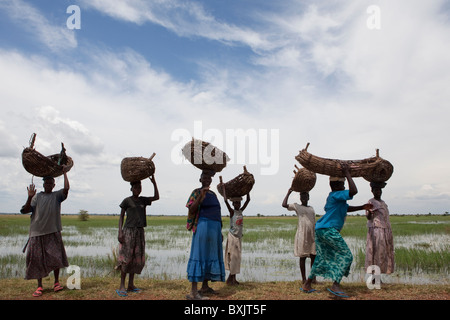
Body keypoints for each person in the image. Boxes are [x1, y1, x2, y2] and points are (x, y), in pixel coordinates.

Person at [302, 164, 372, 298]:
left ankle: (307, 284)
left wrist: (362, 206)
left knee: (321, 258)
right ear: (336, 186)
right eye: (343, 184)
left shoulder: (333, 197)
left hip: (321, 230)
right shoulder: (336, 195)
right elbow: (354, 191)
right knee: (346, 255)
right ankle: (335, 285)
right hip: (328, 230)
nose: (345, 186)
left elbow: (346, 208)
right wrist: (347, 173)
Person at [20, 166, 70, 297]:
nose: (48, 185)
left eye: (51, 183)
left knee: (56, 258)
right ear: (43, 184)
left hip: (53, 231)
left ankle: (56, 282)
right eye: (46, 183)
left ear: (54, 185)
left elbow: (66, 189)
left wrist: (65, 174)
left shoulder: (57, 196)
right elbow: (25, 210)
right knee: (37, 260)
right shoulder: (37, 197)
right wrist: (29, 197)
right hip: (37, 233)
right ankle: (39, 286)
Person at [116, 175, 159, 297]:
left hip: (140, 232)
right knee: (126, 258)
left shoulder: (143, 200)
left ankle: (131, 284)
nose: (138, 189)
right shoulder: (127, 201)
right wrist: (120, 232)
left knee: (135, 258)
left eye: (139, 187)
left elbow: (157, 197)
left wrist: (154, 182)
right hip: (128, 231)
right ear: (131, 188)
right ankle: (122, 285)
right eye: (135, 187)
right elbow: (121, 217)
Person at [185, 170, 225, 300]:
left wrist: (220, 231)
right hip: (202, 225)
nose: (207, 179)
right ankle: (193, 292)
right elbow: (191, 209)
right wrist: (200, 197)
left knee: (209, 255)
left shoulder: (213, 194)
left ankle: (205, 287)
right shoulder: (196, 192)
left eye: (209, 177)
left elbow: (217, 212)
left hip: (215, 227)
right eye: (204, 177)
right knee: (199, 255)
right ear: (200, 179)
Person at [282, 189, 316, 287]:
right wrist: (289, 192)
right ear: (300, 198)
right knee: (303, 256)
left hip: (312, 234)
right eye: (302, 197)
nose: (304, 198)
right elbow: (284, 205)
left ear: (308, 197)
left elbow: (313, 221)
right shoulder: (297, 206)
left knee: (313, 256)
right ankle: (304, 279)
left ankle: (313, 278)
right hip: (302, 234)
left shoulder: (311, 208)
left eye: (305, 196)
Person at [365, 182, 394, 278]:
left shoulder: (383, 203)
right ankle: (374, 278)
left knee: (383, 254)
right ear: (372, 191)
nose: (378, 192)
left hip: (385, 230)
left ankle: (378, 278)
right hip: (376, 231)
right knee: (375, 254)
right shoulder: (371, 202)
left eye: (379, 190)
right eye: (376, 190)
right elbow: (369, 217)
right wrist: (369, 212)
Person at [223, 191, 250, 286]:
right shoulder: (232, 212)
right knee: (233, 258)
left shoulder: (240, 211)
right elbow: (225, 201)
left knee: (237, 258)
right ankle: (230, 279)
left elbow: (248, 200)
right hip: (232, 237)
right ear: (233, 204)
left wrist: (247, 191)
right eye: (235, 203)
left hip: (238, 238)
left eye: (239, 203)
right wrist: (223, 190)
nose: (237, 204)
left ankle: (233, 279)